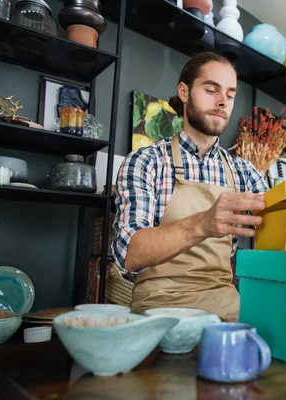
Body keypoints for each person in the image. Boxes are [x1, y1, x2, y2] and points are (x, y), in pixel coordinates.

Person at [112, 52, 269, 322]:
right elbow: (129, 254)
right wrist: (203, 223)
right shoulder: (146, 162)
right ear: (184, 92)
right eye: (211, 90)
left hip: (227, 314)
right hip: (158, 313)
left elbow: (282, 229)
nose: (222, 102)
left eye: (230, 95)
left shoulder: (244, 173)